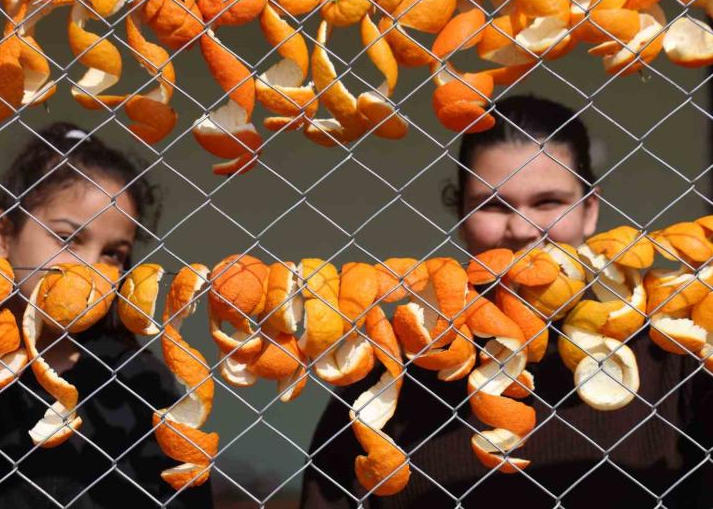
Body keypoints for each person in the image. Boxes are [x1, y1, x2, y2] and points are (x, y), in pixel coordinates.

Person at [300, 95, 712, 508]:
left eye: (548, 202)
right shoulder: (395, 367)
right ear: (462, 217)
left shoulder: (674, 351)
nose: (523, 228)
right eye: (493, 205)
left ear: (590, 211)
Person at [0, 122, 214, 508]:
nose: (90, 268)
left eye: (113, 254)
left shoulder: (137, 380)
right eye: (68, 238)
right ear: (2, 237)